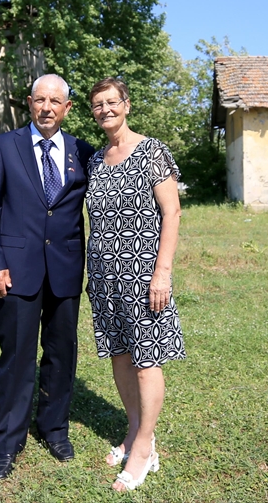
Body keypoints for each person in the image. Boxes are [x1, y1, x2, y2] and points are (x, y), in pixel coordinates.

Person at [0, 74, 96, 481]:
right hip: (16, 270)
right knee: (17, 357)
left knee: (63, 355)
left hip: (65, 270)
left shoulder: (83, 152)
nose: (47, 108)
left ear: (68, 108)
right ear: (30, 103)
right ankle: (8, 442)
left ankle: (54, 428)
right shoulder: (5, 146)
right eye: (40, 100)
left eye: (55, 101)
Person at [84, 77, 186, 492]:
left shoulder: (151, 151)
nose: (105, 109)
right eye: (97, 104)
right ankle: (133, 430)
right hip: (104, 276)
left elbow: (173, 211)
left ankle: (144, 447)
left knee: (146, 360)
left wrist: (162, 272)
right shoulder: (96, 159)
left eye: (112, 102)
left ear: (126, 105)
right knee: (120, 355)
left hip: (143, 274)